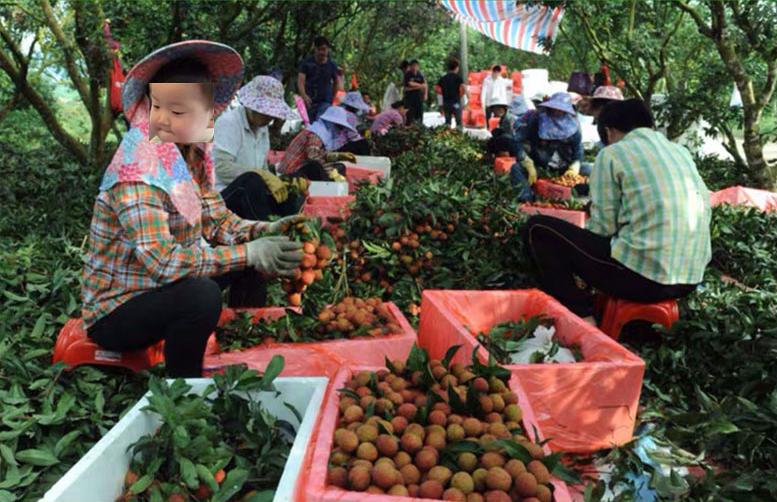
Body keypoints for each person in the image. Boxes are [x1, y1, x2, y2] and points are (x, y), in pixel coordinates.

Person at [81, 41, 306, 377]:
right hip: (119, 308)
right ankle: (183, 387)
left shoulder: (188, 155)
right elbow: (164, 263)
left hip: (164, 287)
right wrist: (248, 252)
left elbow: (218, 220)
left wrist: (265, 231)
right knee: (201, 295)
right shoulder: (138, 167)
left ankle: (245, 341)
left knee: (246, 258)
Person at [524, 99, 710, 322]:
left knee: (538, 229)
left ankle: (582, 315)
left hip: (644, 279)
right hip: (690, 279)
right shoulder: (680, 152)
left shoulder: (613, 154)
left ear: (609, 131)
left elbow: (603, 228)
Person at [213, 75, 307, 221]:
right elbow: (221, 168)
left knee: (289, 193)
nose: (270, 119)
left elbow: (263, 169)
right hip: (226, 195)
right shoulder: (229, 123)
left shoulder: (262, 128)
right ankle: (266, 230)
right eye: (266, 113)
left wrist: (281, 182)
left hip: (253, 193)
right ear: (251, 106)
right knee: (252, 180)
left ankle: (289, 225)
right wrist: (261, 174)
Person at [509, 92, 586, 202]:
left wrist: (575, 164)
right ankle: (526, 199)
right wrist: (526, 160)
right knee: (516, 168)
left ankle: (578, 199)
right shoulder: (537, 119)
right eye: (555, 109)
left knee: (589, 169)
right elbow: (516, 141)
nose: (557, 112)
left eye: (561, 110)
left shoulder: (573, 124)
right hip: (541, 166)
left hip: (565, 169)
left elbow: (578, 147)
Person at [277, 105, 357, 179]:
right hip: (292, 172)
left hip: (300, 169)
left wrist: (339, 156)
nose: (340, 130)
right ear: (332, 123)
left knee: (340, 167)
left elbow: (320, 154)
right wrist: (330, 171)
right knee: (316, 167)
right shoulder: (317, 134)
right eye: (339, 126)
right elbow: (312, 156)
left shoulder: (321, 132)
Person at [297, 35, 343, 122]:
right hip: (310, 101)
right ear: (315, 49)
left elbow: (337, 82)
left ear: (328, 49)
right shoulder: (306, 63)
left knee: (320, 122)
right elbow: (300, 81)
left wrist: (334, 98)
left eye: (324, 49)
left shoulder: (332, 65)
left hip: (325, 101)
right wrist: (304, 95)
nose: (322, 52)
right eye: (319, 49)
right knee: (311, 124)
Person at [335, 91, 371, 155]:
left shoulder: (340, 111)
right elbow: (351, 135)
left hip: (335, 142)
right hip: (342, 144)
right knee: (364, 143)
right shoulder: (351, 116)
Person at [436, 59, 465, 129]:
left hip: (446, 103)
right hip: (456, 103)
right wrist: (460, 98)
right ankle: (459, 133)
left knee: (447, 122)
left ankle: (447, 134)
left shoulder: (442, 79)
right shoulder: (458, 78)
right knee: (459, 122)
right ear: (457, 68)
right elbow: (463, 89)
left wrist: (440, 105)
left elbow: (438, 92)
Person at [403, 59, 427, 125]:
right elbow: (410, 84)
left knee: (419, 114)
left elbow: (425, 85)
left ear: (418, 66)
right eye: (412, 66)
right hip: (409, 98)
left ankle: (420, 126)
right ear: (410, 67)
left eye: (415, 66)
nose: (414, 67)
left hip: (419, 98)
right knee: (410, 115)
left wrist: (425, 94)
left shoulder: (420, 75)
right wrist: (420, 86)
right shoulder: (407, 74)